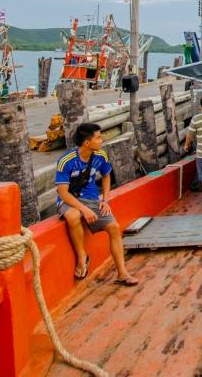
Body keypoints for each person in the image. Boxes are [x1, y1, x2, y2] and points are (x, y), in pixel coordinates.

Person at [55, 122, 138, 286]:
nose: (102, 140)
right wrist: (84, 209)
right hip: (70, 199)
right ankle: (82, 256)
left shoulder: (101, 156)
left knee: (114, 227)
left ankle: (122, 273)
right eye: (98, 137)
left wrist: (105, 200)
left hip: (92, 198)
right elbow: (63, 193)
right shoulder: (66, 161)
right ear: (87, 142)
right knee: (73, 215)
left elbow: (106, 175)